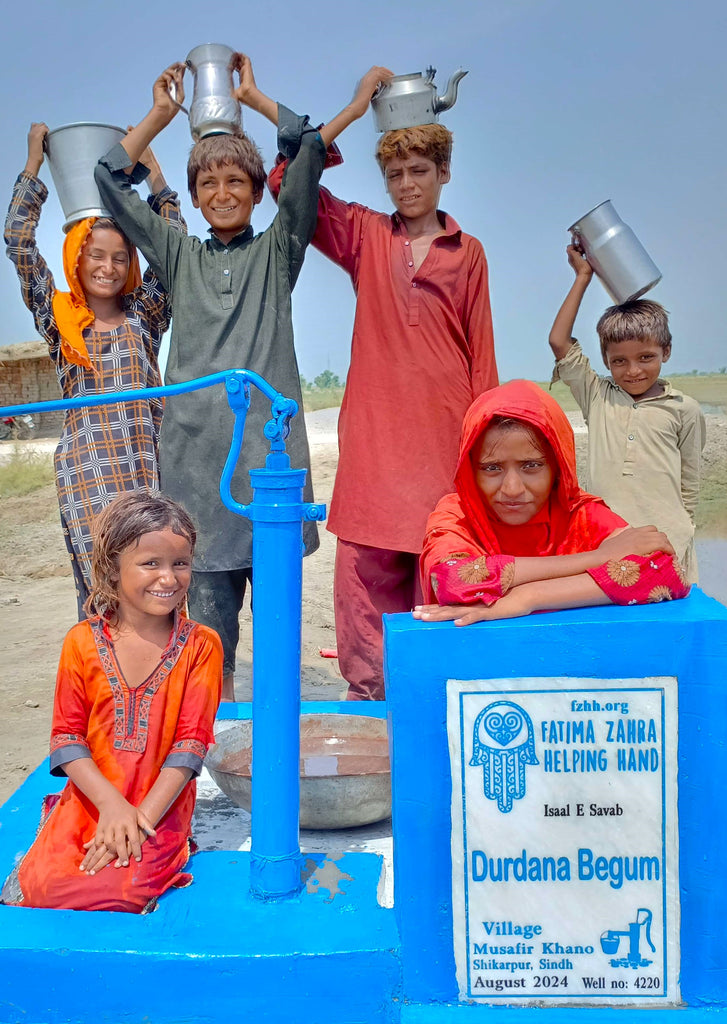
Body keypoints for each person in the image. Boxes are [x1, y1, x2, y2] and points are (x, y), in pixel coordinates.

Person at [95, 58, 379, 702]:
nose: (222, 193)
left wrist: (250, 97)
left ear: (257, 192)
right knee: (208, 648)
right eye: (209, 184)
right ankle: (214, 769)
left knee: (277, 641)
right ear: (192, 198)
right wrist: (163, 115)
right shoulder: (177, 254)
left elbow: (306, 148)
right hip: (197, 474)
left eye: (236, 182)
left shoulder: (279, 253)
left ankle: (271, 768)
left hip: (272, 479)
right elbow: (107, 179)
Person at [268, 68, 499, 700]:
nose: (406, 185)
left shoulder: (467, 251)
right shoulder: (367, 236)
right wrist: (350, 106)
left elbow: (482, 355)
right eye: (395, 175)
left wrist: (486, 450)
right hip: (374, 445)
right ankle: (368, 706)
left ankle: (429, 707)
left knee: (440, 583)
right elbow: (289, 183)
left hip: (443, 446)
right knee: (364, 583)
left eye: (419, 171)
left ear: (443, 173)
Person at [0, 491, 222, 913]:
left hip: (158, 805)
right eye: (150, 563)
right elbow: (67, 737)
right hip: (93, 795)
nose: (169, 578)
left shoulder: (201, 646)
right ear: (111, 568)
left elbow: (190, 745)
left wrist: (138, 821)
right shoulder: (81, 641)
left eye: (181, 563)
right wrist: (111, 806)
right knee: (43, 888)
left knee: (122, 891)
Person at [4, 123, 186, 618]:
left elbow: (173, 246)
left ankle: (159, 688)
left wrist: (153, 173)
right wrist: (33, 164)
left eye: (119, 257)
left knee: (158, 584)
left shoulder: (145, 313)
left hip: (148, 465)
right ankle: (106, 690)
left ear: (130, 263)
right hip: (88, 474)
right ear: (76, 260)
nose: (106, 266)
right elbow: (19, 245)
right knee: (106, 591)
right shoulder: (58, 316)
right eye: (95, 256)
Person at [414, 379, 689, 627]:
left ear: (558, 467)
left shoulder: (579, 514)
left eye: (531, 466)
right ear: (470, 470)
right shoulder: (458, 514)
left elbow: (665, 572)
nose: (512, 489)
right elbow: (453, 580)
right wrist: (598, 558)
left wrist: (528, 597)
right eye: (492, 468)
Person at [548, 245, 705, 581]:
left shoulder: (684, 410)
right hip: (607, 543)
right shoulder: (597, 396)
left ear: (666, 351)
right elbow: (559, 341)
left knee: (667, 628)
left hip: (668, 545)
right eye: (620, 361)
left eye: (646, 357)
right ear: (606, 361)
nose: (633, 370)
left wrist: (684, 529)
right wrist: (582, 276)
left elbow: (689, 483)